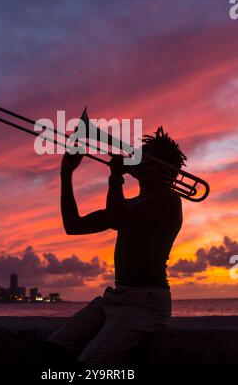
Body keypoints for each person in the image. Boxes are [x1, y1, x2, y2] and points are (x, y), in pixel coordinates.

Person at [42, 127, 186, 366]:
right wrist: (66, 173)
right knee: (53, 349)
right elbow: (74, 225)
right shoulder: (130, 204)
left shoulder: (168, 200)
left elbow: (118, 218)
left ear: (161, 168)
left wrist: (116, 176)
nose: (136, 157)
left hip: (146, 303)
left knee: (91, 364)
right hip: (117, 297)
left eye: (144, 155)